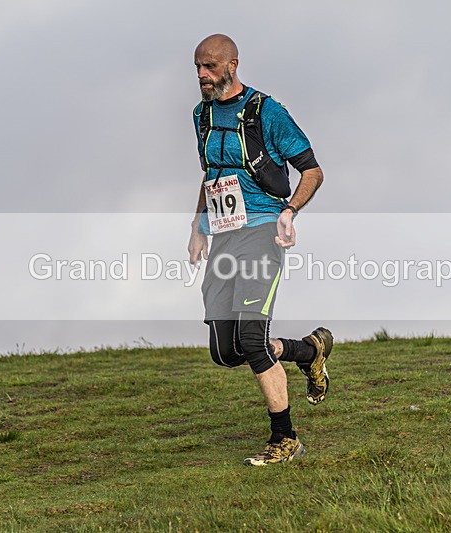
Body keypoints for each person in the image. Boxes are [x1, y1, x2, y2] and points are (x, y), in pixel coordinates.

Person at [187, 34, 333, 466]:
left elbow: (312, 171)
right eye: (197, 67)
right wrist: (198, 228)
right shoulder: (201, 116)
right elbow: (211, 174)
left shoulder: (267, 113)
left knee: (252, 338)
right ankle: (309, 350)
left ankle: (285, 439)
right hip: (223, 237)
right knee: (227, 350)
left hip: (263, 232)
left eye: (209, 67)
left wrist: (288, 212)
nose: (201, 76)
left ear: (233, 64)